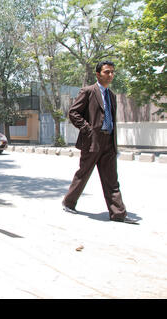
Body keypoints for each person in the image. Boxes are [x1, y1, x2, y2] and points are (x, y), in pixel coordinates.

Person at [62, 61, 137, 224]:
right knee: (83, 174)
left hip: (109, 141)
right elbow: (73, 112)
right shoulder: (89, 91)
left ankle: (118, 213)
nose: (110, 75)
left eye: (112, 72)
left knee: (111, 178)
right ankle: (69, 202)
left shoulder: (111, 95)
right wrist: (87, 129)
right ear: (98, 74)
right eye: (107, 72)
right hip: (92, 141)